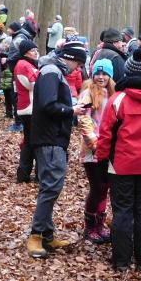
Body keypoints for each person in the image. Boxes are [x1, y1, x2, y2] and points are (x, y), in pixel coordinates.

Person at [96, 49, 141, 270]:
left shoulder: (117, 100)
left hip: (121, 165)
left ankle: (121, 261)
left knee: (123, 210)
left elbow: (105, 134)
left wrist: (102, 159)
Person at [26, 41, 89, 259]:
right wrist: (71, 110)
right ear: (69, 58)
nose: (78, 69)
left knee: (51, 185)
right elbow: (48, 105)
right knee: (51, 187)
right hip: (49, 138)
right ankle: (36, 235)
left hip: (52, 137)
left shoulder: (53, 71)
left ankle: (47, 234)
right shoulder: (52, 72)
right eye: (78, 64)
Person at [78, 59, 115, 243]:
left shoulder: (113, 93)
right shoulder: (88, 93)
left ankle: (100, 225)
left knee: (105, 187)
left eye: (105, 74)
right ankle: (90, 227)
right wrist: (93, 141)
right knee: (97, 187)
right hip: (92, 148)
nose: (101, 77)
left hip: (107, 148)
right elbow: (84, 118)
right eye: (98, 74)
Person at [13, 39, 41, 181]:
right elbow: (32, 84)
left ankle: (25, 174)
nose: (36, 53)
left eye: (36, 50)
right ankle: (26, 173)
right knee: (32, 141)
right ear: (25, 52)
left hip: (29, 107)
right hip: (29, 108)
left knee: (30, 141)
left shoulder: (27, 64)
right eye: (32, 50)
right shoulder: (23, 65)